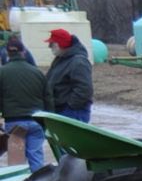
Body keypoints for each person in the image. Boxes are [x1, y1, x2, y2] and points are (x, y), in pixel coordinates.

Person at [1, 38, 50, 170]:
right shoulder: (37, 72)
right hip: (36, 122)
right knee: (36, 159)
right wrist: (49, 122)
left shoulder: (2, 72)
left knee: (17, 164)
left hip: (14, 124)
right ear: (23, 52)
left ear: (7, 53)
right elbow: (48, 98)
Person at [45, 29, 93, 123]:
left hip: (73, 112)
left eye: (52, 44)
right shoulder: (60, 60)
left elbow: (84, 88)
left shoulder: (78, 62)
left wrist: (70, 106)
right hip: (61, 110)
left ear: (61, 44)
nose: (49, 47)